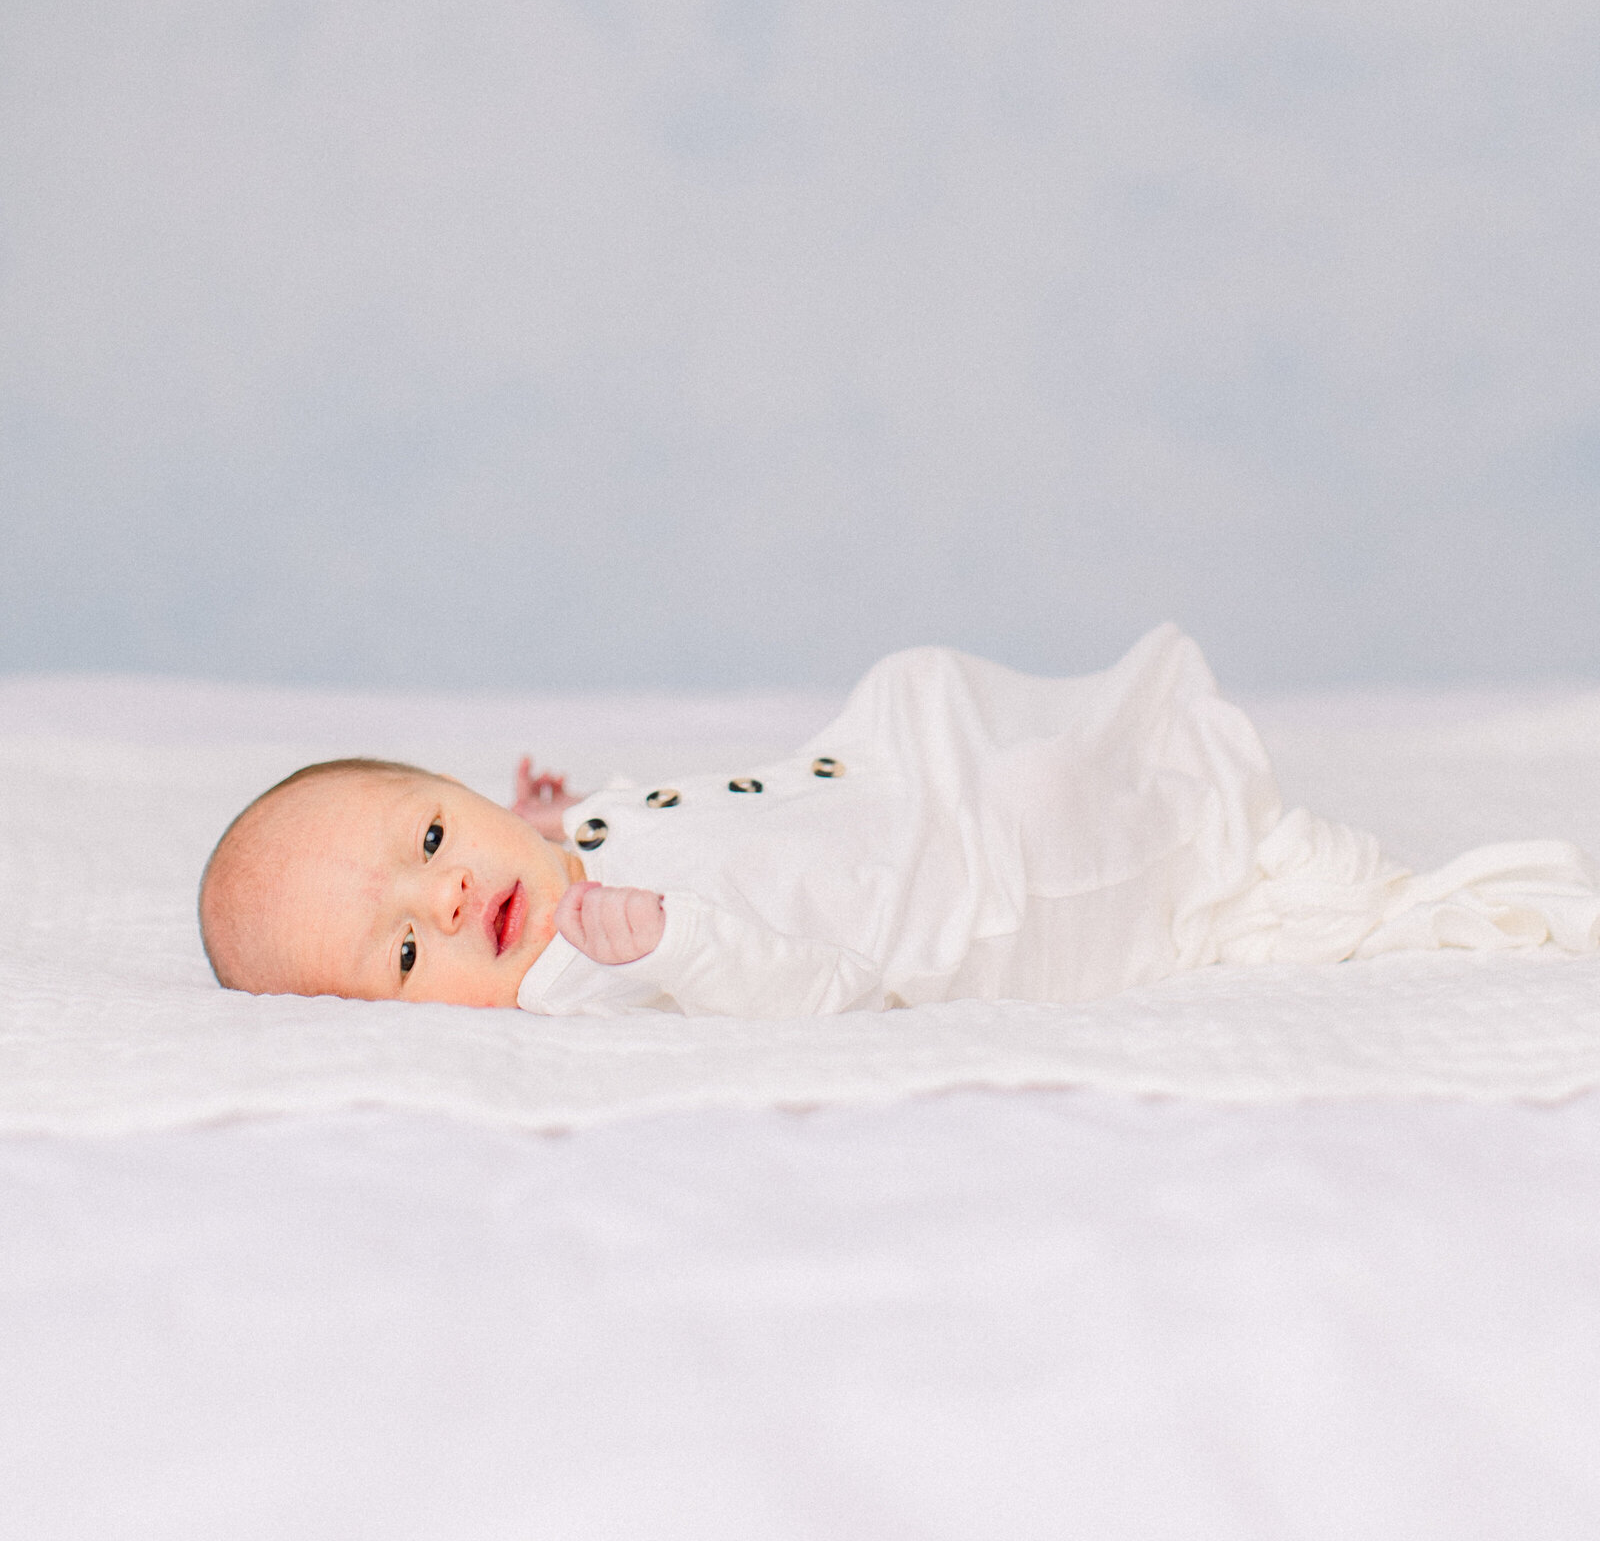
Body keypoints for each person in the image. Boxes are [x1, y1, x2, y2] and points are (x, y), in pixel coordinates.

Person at [198, 624, 1600, 1016]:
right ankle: (1265, 871)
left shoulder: (550, 862)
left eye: (433, 839)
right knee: (1088, 835)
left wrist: (539, 820)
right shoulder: (581, 974)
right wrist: (673, 945)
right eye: (398, 956)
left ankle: (1203, 807)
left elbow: (554, 843)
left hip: (882, 784)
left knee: (966, 713)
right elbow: (801, 983)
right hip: (936, 904)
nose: (444, 899)